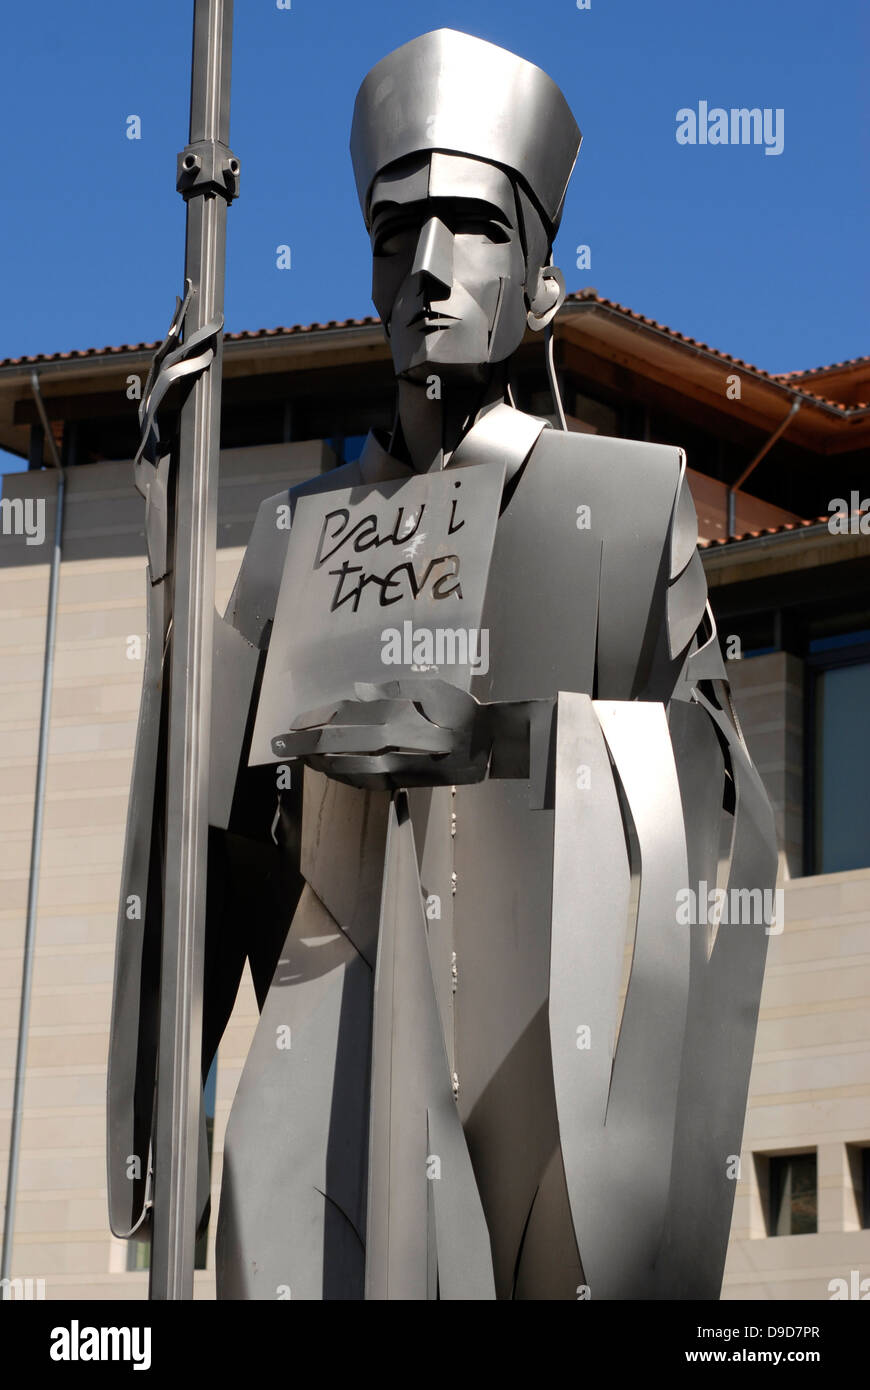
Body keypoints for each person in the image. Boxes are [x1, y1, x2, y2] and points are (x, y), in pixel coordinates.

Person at [109, 28, 777, 1300]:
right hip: (330, 1014)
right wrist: (164, 564)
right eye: (392, 230)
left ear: (541, 284)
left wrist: (503, 738)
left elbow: (722, 799)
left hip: (543, 1068)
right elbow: (218, 842)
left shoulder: (626, 505)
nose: (425, 268)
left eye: (469, 225)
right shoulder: (296, 531)